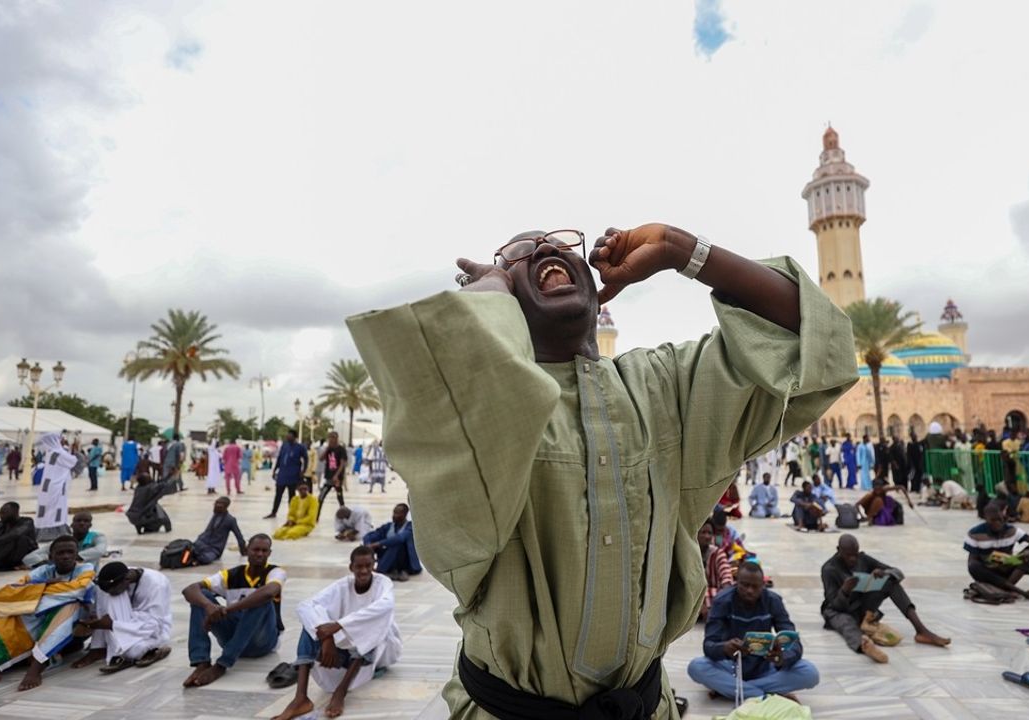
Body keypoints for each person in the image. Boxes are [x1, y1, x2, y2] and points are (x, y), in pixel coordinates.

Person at [351, 223, 855, 716]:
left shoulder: (664, 388)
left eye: (560, 243)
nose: (546, 248)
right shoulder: (491, 409)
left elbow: (809, 334)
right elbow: (448, 397)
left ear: (596, 289)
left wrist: (681, 250)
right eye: (521, 253)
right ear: (503, 307)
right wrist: (490, 291)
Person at [0, 535, 96, 695]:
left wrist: (36, 591)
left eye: (70, 552)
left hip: (79, 624)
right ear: (50, 556)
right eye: (60, 553)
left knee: (68, 607)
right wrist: (45, 587)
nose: (66, 556)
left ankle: (36, 668)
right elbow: (9, 592)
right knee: (9, 617)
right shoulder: (43, 571)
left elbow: (78, 590)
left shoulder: (85, 569)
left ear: (77, 554)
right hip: (42, 616)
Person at [272, 545, 403, 720]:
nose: (364, 571)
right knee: (309, 626)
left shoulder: (383, 584)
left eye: (368, 566)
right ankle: (300, 698)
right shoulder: (343, 585)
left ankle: (340, 693)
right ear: (351, 567)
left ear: (374, 565)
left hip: (375, 651)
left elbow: (384, 606)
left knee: (372, 626)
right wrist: (327, 639)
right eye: (359, 567)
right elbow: (305, 605)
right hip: (341, 654)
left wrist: (339, 625)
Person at [687, 561, 818, 701]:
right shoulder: (722, 601)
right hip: (731, 666)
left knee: (810, 673)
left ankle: (735, 690)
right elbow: (709, 646)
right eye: (745, 585)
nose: (750, 590)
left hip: (766, 666)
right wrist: (725, 648)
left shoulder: (773, 601)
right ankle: (765, 696)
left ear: (763, 585)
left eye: (755, 586)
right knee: (696, 667)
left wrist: (782, 657)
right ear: (736, 582)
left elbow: (794, 643)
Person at [820, 534, 950, 664]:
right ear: (838, 550)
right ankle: (864, 645)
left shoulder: (863, 559)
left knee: (891, 582)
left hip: (862, 607)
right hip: (841, 611)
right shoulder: (829, 569)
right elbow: (834, 605)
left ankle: (921, 631)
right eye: (848, 555)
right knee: (846, 623)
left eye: (855, 554)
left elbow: (897, 572)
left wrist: (884, 573)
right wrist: (844, 590)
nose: (853, 559)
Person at [182, 533, 285, 688]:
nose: (260, 554)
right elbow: (189, 589)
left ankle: (222, 664)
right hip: (232, 636)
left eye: (264, 551)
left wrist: (227, 609)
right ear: (246, 550)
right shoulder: (230, 575)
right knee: (201, 597)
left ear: (269, 553)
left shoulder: (276, 572)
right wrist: (208, 606)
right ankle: (201, 662)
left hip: (262, 641)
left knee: (262, 599)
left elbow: (269, 592)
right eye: (256, 549)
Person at [70, 562, 173, 673]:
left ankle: (152, 649)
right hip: (125, 622)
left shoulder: (157, 584)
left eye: (113, 591)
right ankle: (98, 648)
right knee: (105, 591)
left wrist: (113, 624)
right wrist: (94, 617)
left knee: (134, 652)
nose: (111, 594)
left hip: (152, 629)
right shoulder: (119, 575)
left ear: (127, 581)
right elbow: (103, 605)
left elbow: (154, 623)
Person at [964, 500, 1029, 600]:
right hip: (988, 573)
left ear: (1003, 517)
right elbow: (972, 562)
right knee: (973, 566)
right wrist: (988, 561)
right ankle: (1019, 591)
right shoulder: (974, 534)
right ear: (985, 519)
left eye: (999, 519)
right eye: (993, 520)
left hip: (1007, 568)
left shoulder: (1012, 530)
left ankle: (1005, 588)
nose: (997, 523)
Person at [34, 433, 79, 543]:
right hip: (56, 486)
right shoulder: (57, 453)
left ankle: (44, 528)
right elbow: (73, 461)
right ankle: (54, 531)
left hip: (48, 485)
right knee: (56, 508)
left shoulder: (50, 452)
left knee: (48, 508)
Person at [21, 511, 106, 569]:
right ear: (71, 525)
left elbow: (100, 550)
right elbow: (28, 558)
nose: (82, 523)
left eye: (86, 521)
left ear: (90, 525)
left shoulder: (97, 537)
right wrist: (46, 562)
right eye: (78, 521)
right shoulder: (63, 541)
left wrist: (73, 557)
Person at [362, 503, 421, 582]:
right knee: (373, 544)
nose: (394, 515)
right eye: (394, 512)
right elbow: (369, 536)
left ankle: (384, 570)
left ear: (405, 514)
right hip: (390, 559)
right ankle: (392, 571)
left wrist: (378, 543)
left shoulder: (410, 527)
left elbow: (400, 538)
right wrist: (368, 545)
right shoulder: (388, 526)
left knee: (396, 544)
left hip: (407, 562)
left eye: (397, 513)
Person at [191, 497, 247, 565]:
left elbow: (239, 536)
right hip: (201, 543)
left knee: (205, 559)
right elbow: (207, 532)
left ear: (226, 507)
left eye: (220, 505)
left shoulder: (230, 520)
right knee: (186, 549)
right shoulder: (215, 515)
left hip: (214, 549)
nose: (217, 506)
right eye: (216, 504)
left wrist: (243, 551)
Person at [265, 430, 307, 519]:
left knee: (291, 496)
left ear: (294, 437)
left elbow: (306, 459)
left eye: (290, 435)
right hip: (282, 474)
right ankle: (273, 512)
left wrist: (303, 471)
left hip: (293, 474)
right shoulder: (284, 446)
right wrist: (275, 469)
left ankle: (292, 514)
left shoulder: (300, 447)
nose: (287, 437)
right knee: (278, 494)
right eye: (287, 435)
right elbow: (280, 458)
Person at [697, 521, 734, 622]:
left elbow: (726, 575)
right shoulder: (689, 555)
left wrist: (726, 593)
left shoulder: (718, 553)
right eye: (703, 532)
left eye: (710, 533)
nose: (707, 536)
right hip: (694, 595)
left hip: (714, 594)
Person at [317, 431, 349, 521]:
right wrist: (327, 449)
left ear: (336, 438)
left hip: (337, 478)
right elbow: (321, 459)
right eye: (329, 438)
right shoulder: (329, 449)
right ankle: (316, 516)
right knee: (321, 497)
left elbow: (342, 464)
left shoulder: (341, 449)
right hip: (328, 477)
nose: (331, 440)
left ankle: (344, 516)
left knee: (339, 497)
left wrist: (337, 475)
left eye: (333, 437)